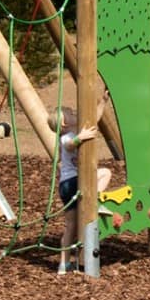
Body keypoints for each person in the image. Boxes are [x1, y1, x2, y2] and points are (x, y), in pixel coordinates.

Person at [51, 103, 113, 272]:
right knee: (105, 173)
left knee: (71, 225)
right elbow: (70, 144)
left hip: (65, 185)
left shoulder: (73, 130)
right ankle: (96, 201)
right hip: (73, 182)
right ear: (64, 123)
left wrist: (102, 101)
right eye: (70, 113)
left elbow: (94, 118)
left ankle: (63, 265)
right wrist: (82, 137)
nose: (74, 113)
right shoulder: (66, 136)